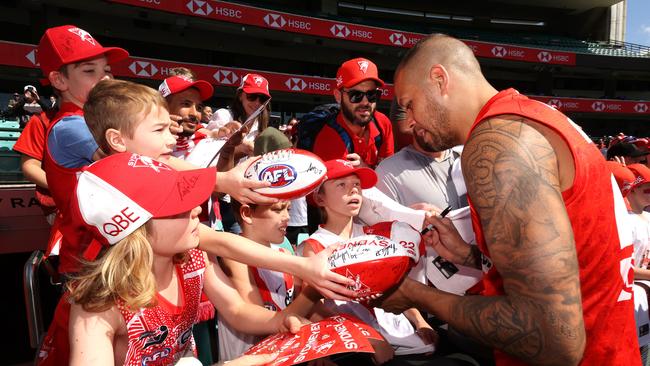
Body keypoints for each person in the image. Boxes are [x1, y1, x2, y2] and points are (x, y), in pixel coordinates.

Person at [373, 34, 640, 365]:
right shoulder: (531, 117)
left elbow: (553, 338)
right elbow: (569, 257)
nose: (408, 122)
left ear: (440, 80)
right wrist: (472, 256)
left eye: (409, 103)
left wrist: (419, 296)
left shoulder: (496, 144)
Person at [83, 78, 356, 301]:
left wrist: (225, 181)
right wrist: (303, 267)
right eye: (159, 130)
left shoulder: (145, 167)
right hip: (120, 304)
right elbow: (219, 240)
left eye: (170, 127)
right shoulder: (113, 182)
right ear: (117, 140)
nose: (172, 137)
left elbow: (176, 167)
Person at [37, 152, 304, 366]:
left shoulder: (193, 258)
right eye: (178, 207)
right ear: (135, 229)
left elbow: (235, 310)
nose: (196, 210)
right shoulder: (99, 303)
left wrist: (278, 322)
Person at [302, 159, 462, 366]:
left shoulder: (376, 235)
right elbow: (314, 308)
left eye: (357, 185)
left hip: (405, 336)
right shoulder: (315, 246)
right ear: (320, 198)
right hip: (361, 348)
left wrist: (420, 321)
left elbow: (396, 289)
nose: (353, 191)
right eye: (342, 185)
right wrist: (367, 339)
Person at [309, 57, 394, 169]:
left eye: (372, 95)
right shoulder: (328, 139)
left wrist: (365, 169)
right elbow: (343, 186)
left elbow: (388, 174)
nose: (365, 102)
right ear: (338, 96)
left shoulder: (382, 123)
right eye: (356, 95)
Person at [158, 74, 214, 159]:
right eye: (186, 104)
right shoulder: (138, 142)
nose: (194, 114)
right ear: (163, 106)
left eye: (199, 108)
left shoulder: (208, 145)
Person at [627, 164, 650, 280]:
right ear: (633, 189)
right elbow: (624, 267)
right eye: (648, 189)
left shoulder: (648, 216)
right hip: (631, 289)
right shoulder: (625, 221)